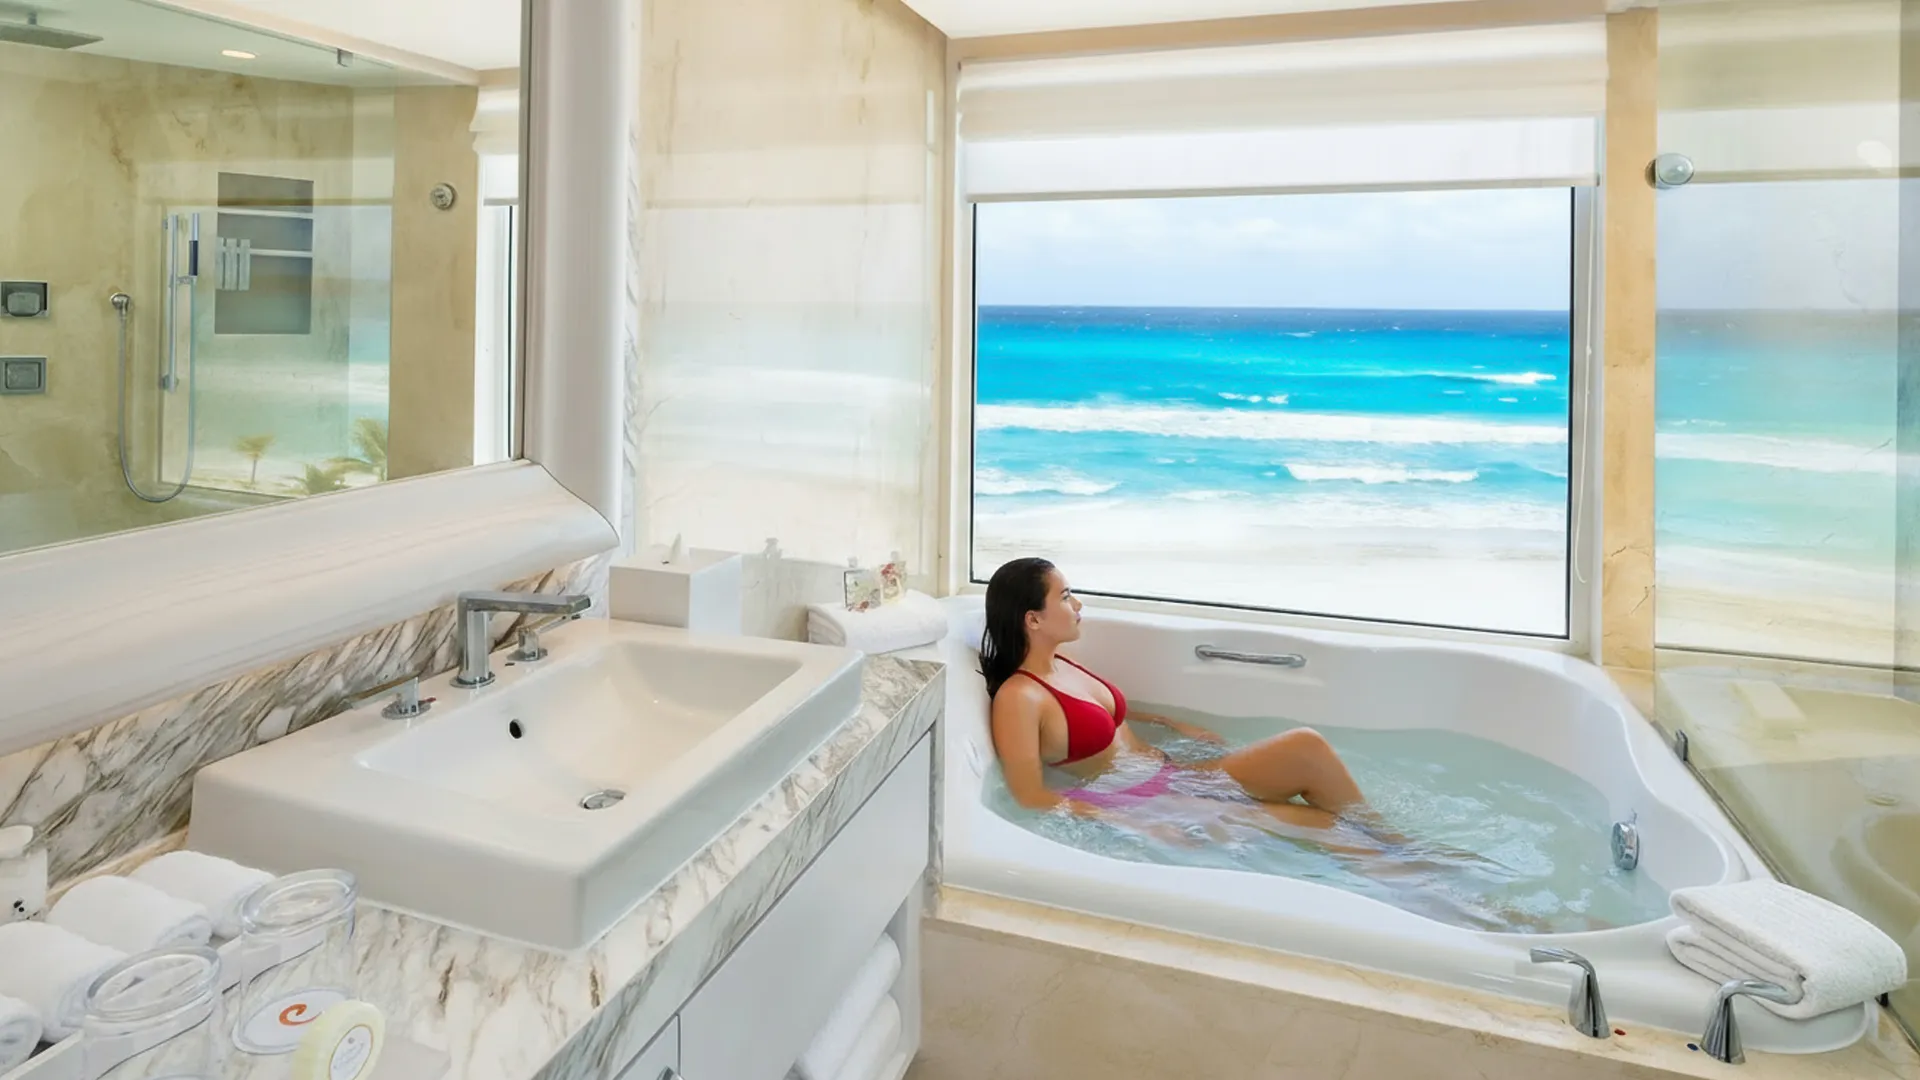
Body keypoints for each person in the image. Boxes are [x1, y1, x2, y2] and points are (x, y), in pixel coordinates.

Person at [982, 557, 1369, 834]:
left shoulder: (1061, 662)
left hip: (1175, 776)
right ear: (1033, 619)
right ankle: (1410, 870)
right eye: (1065, 597)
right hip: (1150, 800)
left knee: (1307, 748)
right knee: (1326, 824)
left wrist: (1169, 723)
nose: (1078, 604)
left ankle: (1401, 849)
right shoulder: (1019, 697)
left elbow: (1104, 717)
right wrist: (1133, 821)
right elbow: (1029, 795)